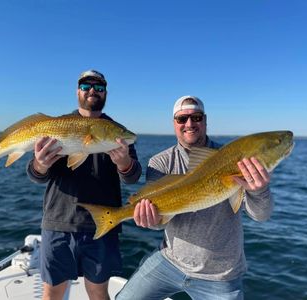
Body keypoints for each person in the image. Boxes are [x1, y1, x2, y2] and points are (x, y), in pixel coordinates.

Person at [117, 96, 273, 300]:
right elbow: (160, 222)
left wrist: (259, 190)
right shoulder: (160, 162)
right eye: (182, 119)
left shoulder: (232, 157)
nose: (189, 124)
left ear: (205, 121)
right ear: (174, 123)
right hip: (170, 261)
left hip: (221, 275)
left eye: (196, 117)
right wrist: (151, 220)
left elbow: (261, 215)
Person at [27, 70, 142, 300]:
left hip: (103, 225)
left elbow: (133, 176)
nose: (92, 90)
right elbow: (36, 175)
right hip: (59, 221)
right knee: (52, 293)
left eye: (99, 87)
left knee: (99, 293)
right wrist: (39, 165)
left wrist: (124, 163)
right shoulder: (56, 126)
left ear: (106, 93)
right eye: (86, 85)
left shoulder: (116, 131)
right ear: (77, 91)